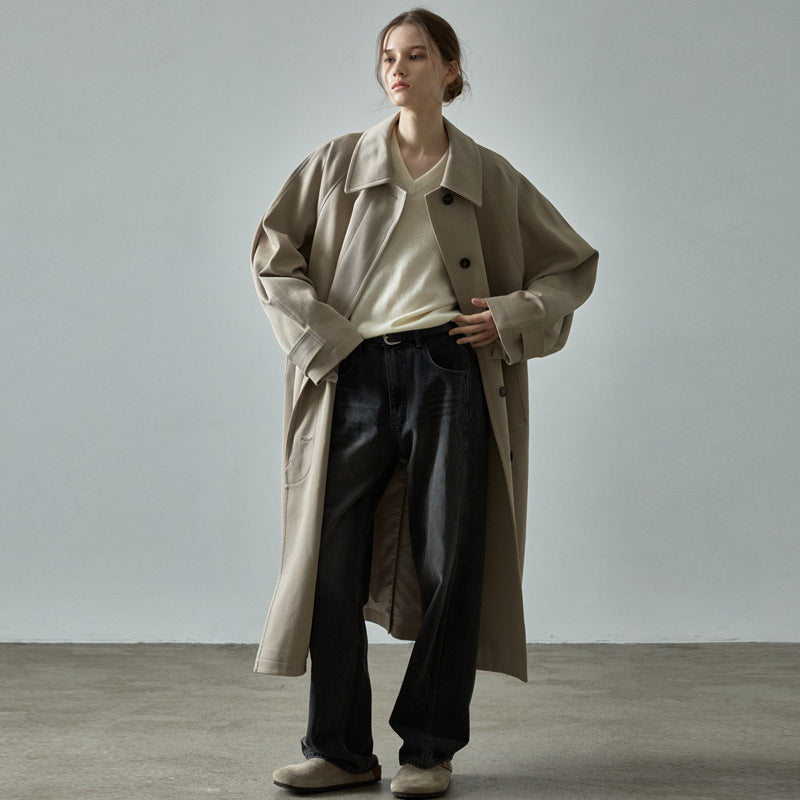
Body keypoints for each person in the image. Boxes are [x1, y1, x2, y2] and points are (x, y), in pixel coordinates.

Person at [249, 8, 598, 798]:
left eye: (414, 55)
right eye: (387, 57)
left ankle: (429, 750)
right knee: (328, 561)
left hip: (449, 371)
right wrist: (323, 338)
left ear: (450, 68)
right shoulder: (337, 163)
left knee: (452, 559)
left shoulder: (489, 175)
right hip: (353, 371)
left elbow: (570, 266)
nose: (397, 69)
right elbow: (272, 256)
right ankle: (340, 751)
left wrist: (508, 315)